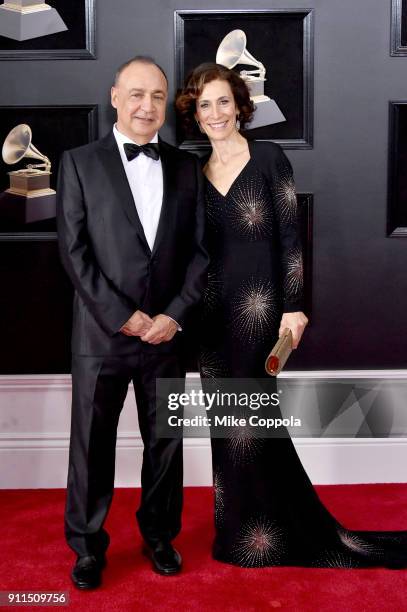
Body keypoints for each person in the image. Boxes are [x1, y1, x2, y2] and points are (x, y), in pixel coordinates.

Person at [176, 62, 407, 569]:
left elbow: (290, 237)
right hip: (211, 316)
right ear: (195, 113)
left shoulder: (268, 158)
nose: (215, 113)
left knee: (253, 416)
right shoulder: (193, 172)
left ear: (239, 105)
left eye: (223, 102)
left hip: (261, 312)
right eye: (204, 105)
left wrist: (295, 307)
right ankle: (238, 532)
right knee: (226, 421)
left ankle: (277, 532)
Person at [57, 56, 208, 588]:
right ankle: (87, 548)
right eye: (138, 94)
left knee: (165, 443)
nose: (149, 106)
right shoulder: (77, 162)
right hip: (102, 335)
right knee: (91, 444)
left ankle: (160, 535)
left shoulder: (189, 167)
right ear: (115, 96)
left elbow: (201, 255)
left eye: (159, 97)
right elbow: (75, 254)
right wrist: (124, 317)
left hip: (167, 335)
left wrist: (172, 315)